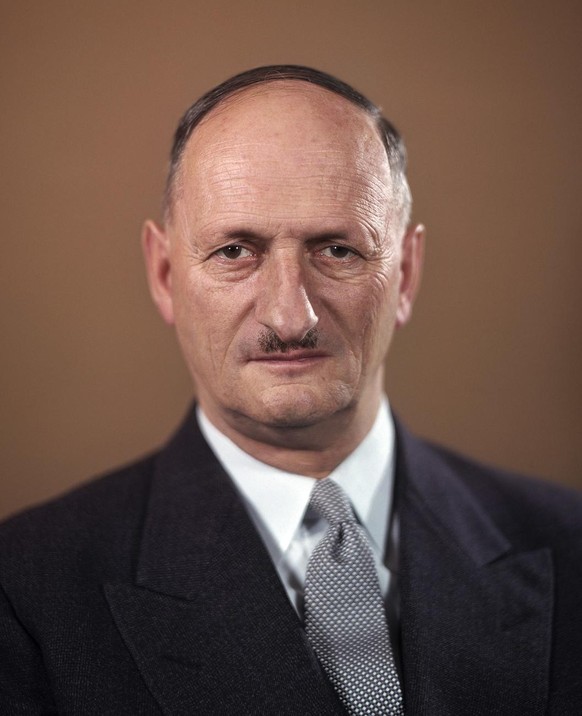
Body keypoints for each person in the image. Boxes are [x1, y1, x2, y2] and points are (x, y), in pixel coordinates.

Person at [0, 65, 581, 715]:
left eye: (336, 250)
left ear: (407, 273)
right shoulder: (23, 593)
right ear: (164, 275)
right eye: (235, 252)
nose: (289, 316)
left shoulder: (572, 543)